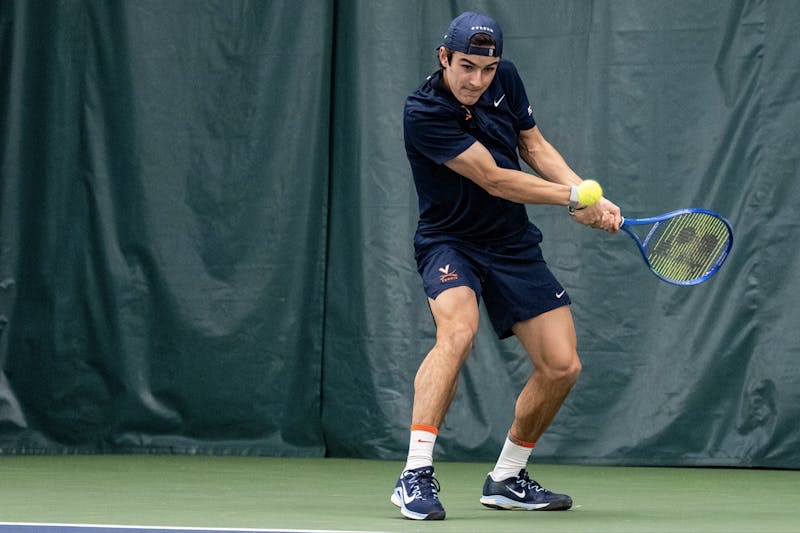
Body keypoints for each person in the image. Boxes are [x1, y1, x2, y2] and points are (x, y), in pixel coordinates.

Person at [390, 12, 622, 521]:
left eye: (488, 69)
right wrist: (571, 198)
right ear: (444, 57)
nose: (477, 80)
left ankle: (507, 478)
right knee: (458, 331)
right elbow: (495, 179)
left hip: (511, 245)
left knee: (562, 365)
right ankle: (415, 474)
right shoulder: (423, 111)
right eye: (466, 66)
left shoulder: (506, 80)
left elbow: (532, 145)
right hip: (449, 242)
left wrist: (587, 195)